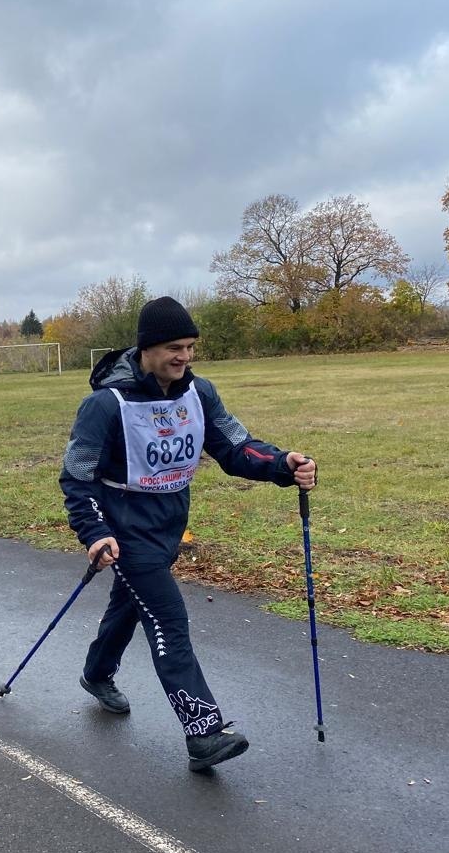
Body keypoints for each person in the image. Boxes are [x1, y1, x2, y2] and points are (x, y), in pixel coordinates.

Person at [60, 296, 317, 772]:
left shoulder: (200, 394)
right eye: (174, 347)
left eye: (191, 347)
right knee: (168, 619)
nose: (184, 357)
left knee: (131, 604)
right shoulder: (104, 405)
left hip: (168, 524)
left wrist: (283, 464)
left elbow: (236, 448)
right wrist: (94, 532)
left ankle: (97, 674)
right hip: (124, 529)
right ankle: (203, 731)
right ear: (146, 348)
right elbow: (77, 476)